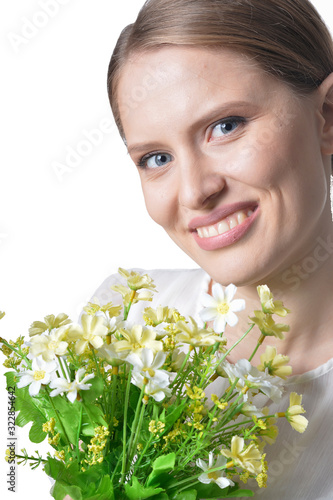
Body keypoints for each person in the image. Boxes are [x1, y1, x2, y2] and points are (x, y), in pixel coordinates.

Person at [91, 0, 333, 498]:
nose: (195, 191)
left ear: (327, 118)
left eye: (226, 126)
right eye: (156, 158)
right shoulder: (119, 320)